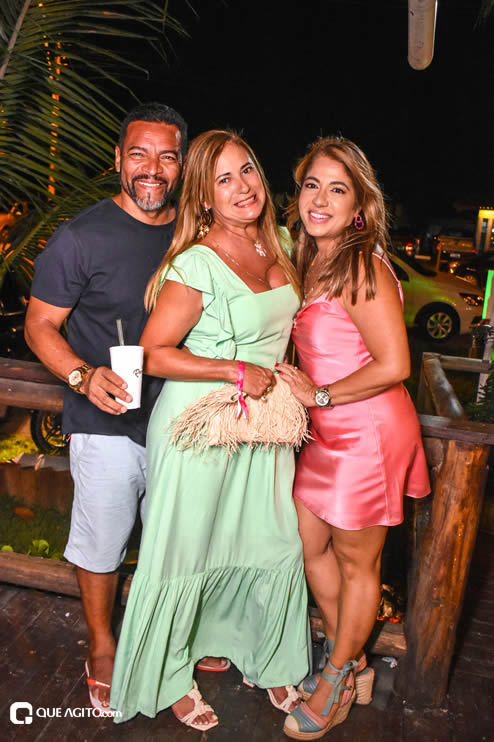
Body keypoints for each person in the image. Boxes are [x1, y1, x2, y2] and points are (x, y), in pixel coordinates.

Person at [110, 130, 311, 729]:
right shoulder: (195, 264)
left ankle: (268, 659)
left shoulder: (279, 243)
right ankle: (169, 677)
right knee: (186, 551)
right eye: (224, 179)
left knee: (271, 543)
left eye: (247, 170)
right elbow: (152, 352)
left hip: (265, 426)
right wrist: (232, 369)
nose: (242, 187)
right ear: (203, 197)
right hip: (200, 428)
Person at [24, 102, 187, 714]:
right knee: (102, 543)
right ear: (118, 159)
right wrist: (80, 375)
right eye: (139, 154)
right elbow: (40, 325)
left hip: (181, 422)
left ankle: (177, 638)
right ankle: (101, 644)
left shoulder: (194, 233)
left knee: (177, 541)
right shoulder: (81, 236)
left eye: (166, 156)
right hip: (106, 420)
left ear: (181, 165)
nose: (152, 169)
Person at [276, 136, 430, 740]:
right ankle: (355, 660)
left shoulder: (361, 264)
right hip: (324, 431)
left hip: (367, 431)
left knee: (357, 563)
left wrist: (317, 395)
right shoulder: (309, 258)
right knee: (308, 545)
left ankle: (335, 678)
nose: (320, 199)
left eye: (337, 189)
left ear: (359, 206)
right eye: (312, 185)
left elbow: (395, 364)